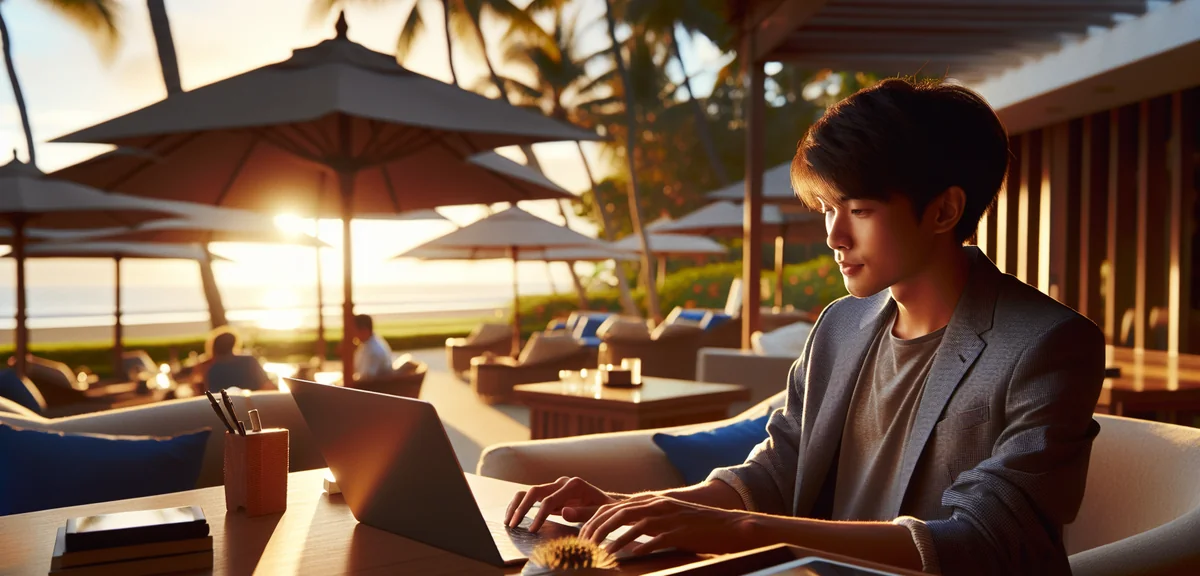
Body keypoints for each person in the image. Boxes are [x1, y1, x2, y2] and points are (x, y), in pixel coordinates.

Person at [503, 78, 1105, 575]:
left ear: (945, 210)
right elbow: (778, 468)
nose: (834, 237)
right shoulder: (842, 325)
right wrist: (632, 507)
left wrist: (739, 530)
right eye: (826, 210)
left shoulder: (1046, 343)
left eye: (860, 211)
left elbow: (988, 543)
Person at [202, 327, 271, 393]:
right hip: (249, 402)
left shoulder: (207, 366)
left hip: (220, 403)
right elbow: (268, 385)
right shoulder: (249, 361)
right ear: (234, 344)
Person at [352, 314, 393, 381]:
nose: (353, 335)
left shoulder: (374, 350)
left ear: (364, 330)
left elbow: (366, 378)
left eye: (354, 330)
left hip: (373, 388)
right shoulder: (366, 344)